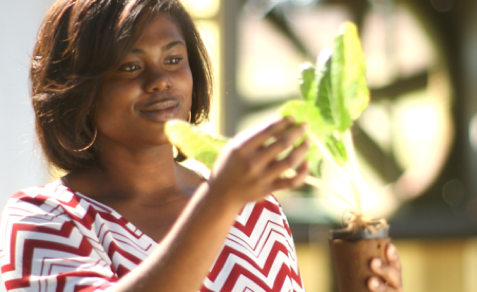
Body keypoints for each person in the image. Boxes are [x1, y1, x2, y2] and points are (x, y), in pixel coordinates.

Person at [0, 0, 402, 291]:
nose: (161, 80)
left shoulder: (255, 210)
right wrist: (219, 201)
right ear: (77, 90)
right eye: (131, 66)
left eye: (174, 60)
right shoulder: (43, 219)